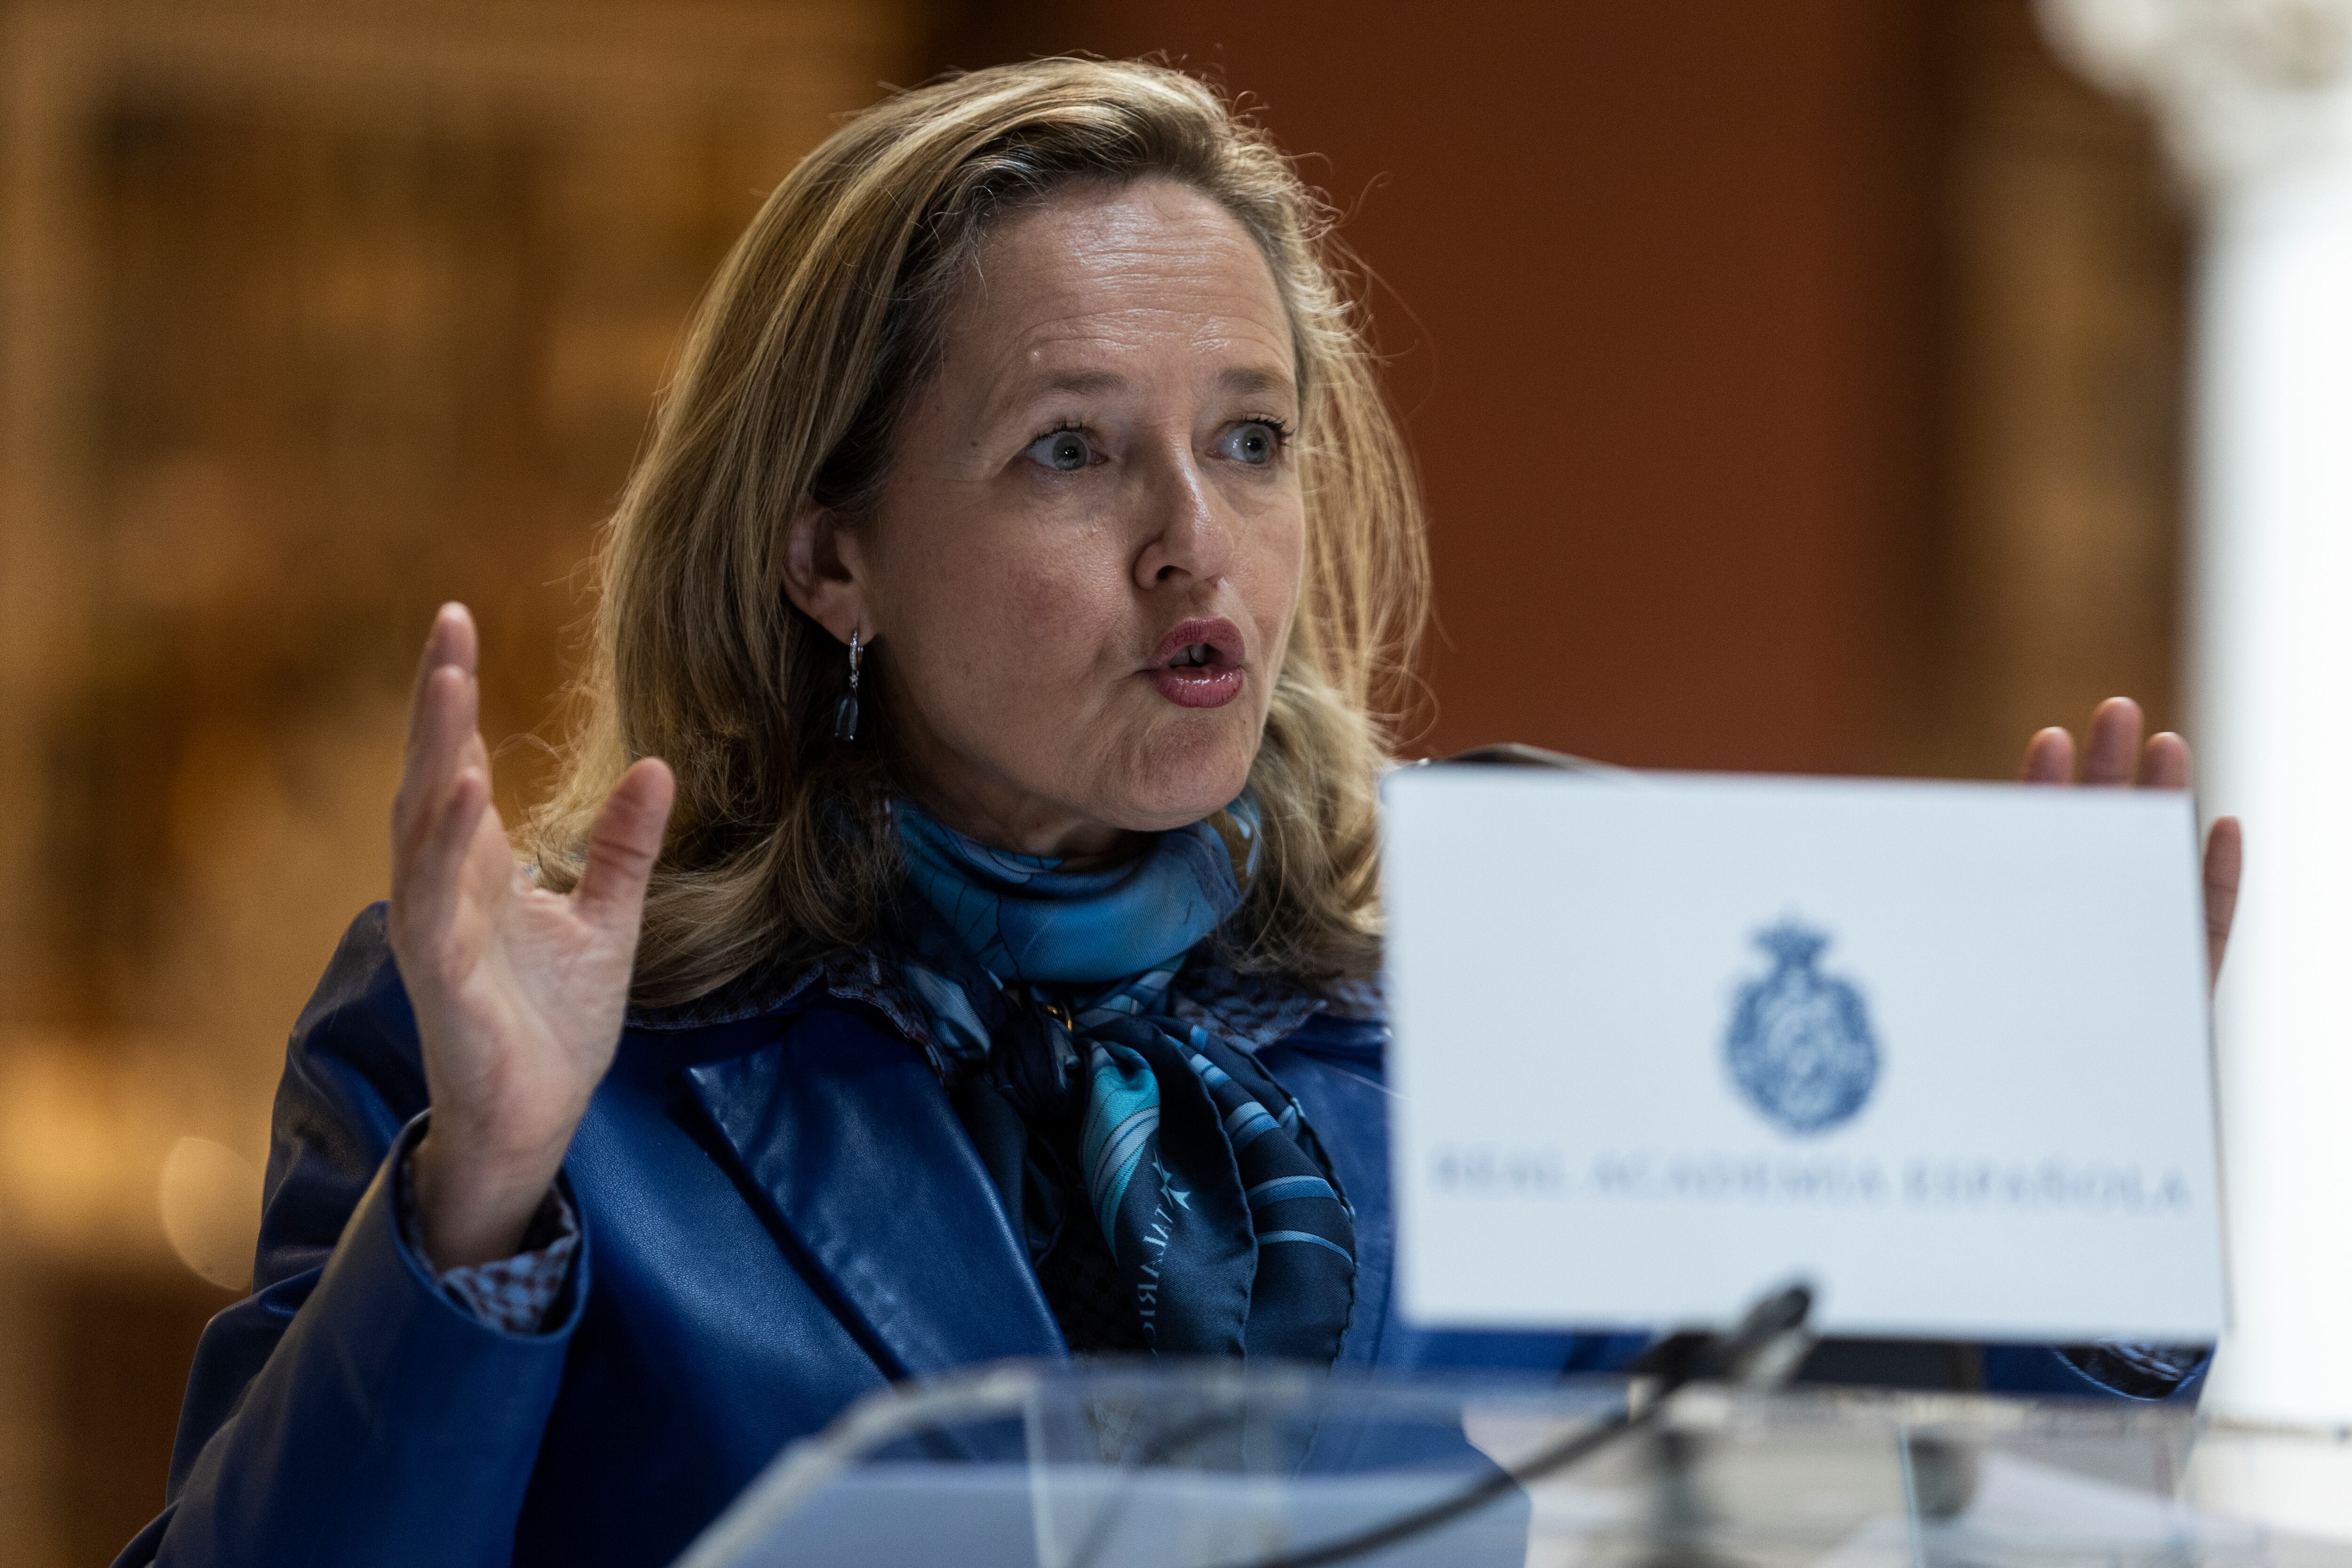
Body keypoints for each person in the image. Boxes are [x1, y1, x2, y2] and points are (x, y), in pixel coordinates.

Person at [116, 58, 2245, 1568]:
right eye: (1068, 454)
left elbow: (1882, 1508)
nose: (1190, 548)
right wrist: (480, 1202)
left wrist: (2069, 1174)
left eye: (1246, 441)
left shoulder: (1514, 969)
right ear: (824, 553)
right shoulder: (520, 1036)